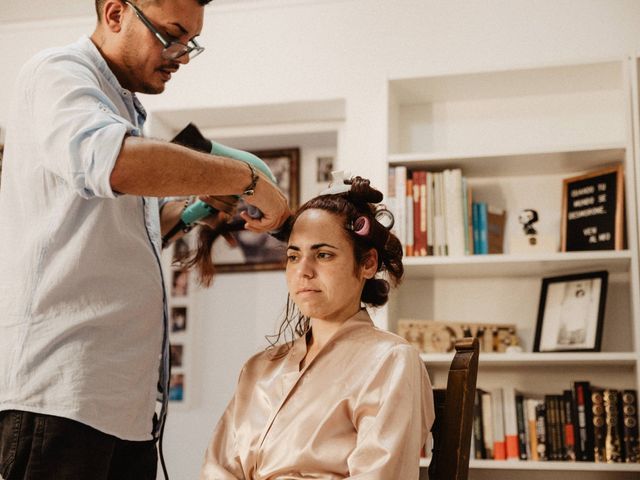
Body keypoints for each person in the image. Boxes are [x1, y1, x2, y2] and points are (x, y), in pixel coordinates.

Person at [0, 1, 289, 479]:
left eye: (190, 42)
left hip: (127, 411)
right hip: (59, 399)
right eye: (172, 35)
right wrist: (248, 179)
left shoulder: (124, 109)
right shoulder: (58, 73)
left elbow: (126, 228)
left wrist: (194, 209)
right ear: (116, 13)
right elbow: (115, 162)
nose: (183, 55)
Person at [200, 176, 435, 479]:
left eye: (323, 255)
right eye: (294, 256)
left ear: (367, 264)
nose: (303, 271)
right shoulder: (258, 369)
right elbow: (216, 469)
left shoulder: (391, 361)